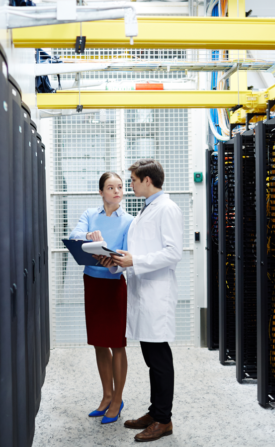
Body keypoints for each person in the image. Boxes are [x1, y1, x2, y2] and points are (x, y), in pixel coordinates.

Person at [98, 159, 183, 442]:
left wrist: (136, 260)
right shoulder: (147, 209)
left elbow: (173, 253)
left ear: (148, 180)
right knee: (151, 358)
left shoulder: (167, 208)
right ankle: (155, 411)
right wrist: (118, 259)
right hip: (143, 291)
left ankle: (164, 420)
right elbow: (142, 250)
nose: (129, 185)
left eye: (132, 180)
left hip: (156, 295)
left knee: (159, 360)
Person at [68, 172, 134, 424]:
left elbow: (127, 256)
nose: (117, 191)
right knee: (99, 342)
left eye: (120, 187)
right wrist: (89, 236)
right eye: (110, 187)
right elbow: (75, 236)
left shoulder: (129, 221)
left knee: (117, 343)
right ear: (101, 192)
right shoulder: (89, 215)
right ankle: (106, 396)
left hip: (114, 283)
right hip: (92, 283)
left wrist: (113, 264)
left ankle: (117, 400)